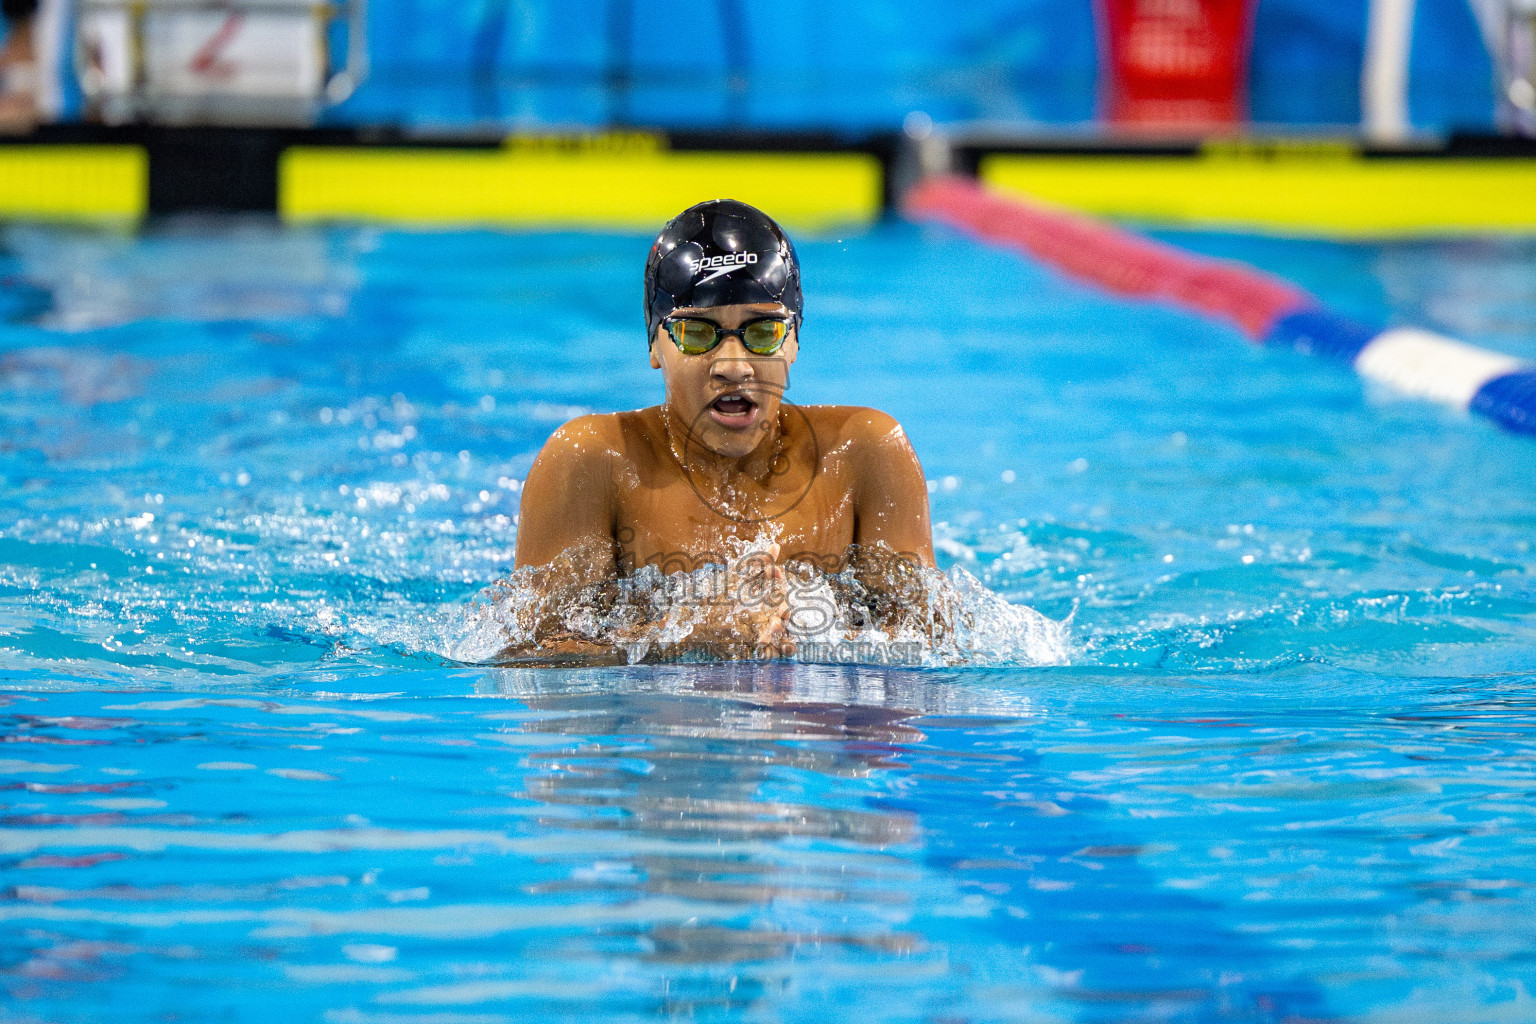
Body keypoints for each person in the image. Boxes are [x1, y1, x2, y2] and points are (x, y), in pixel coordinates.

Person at [499, 198, 936, 664]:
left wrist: (810, 642)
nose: (733, 365)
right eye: (697, 333)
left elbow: (930, 645)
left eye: (763, 331)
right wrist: (688, 635)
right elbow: (526, 659)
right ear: (655, 345)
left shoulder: (865, 451)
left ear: (793, 343)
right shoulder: (592, 461)